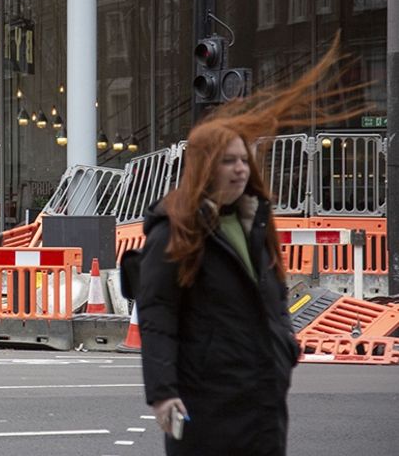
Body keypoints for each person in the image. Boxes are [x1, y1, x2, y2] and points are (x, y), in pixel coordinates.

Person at [135, 33, 364, 456]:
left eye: (244, 159)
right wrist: (163, 392)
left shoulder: (253, 220)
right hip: (207, 401)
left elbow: (272, 295)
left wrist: (284, 348)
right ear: (205, 166)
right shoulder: (175, 228)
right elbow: (157, 314)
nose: (241, 169)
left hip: (261, 396)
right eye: (229, 161)